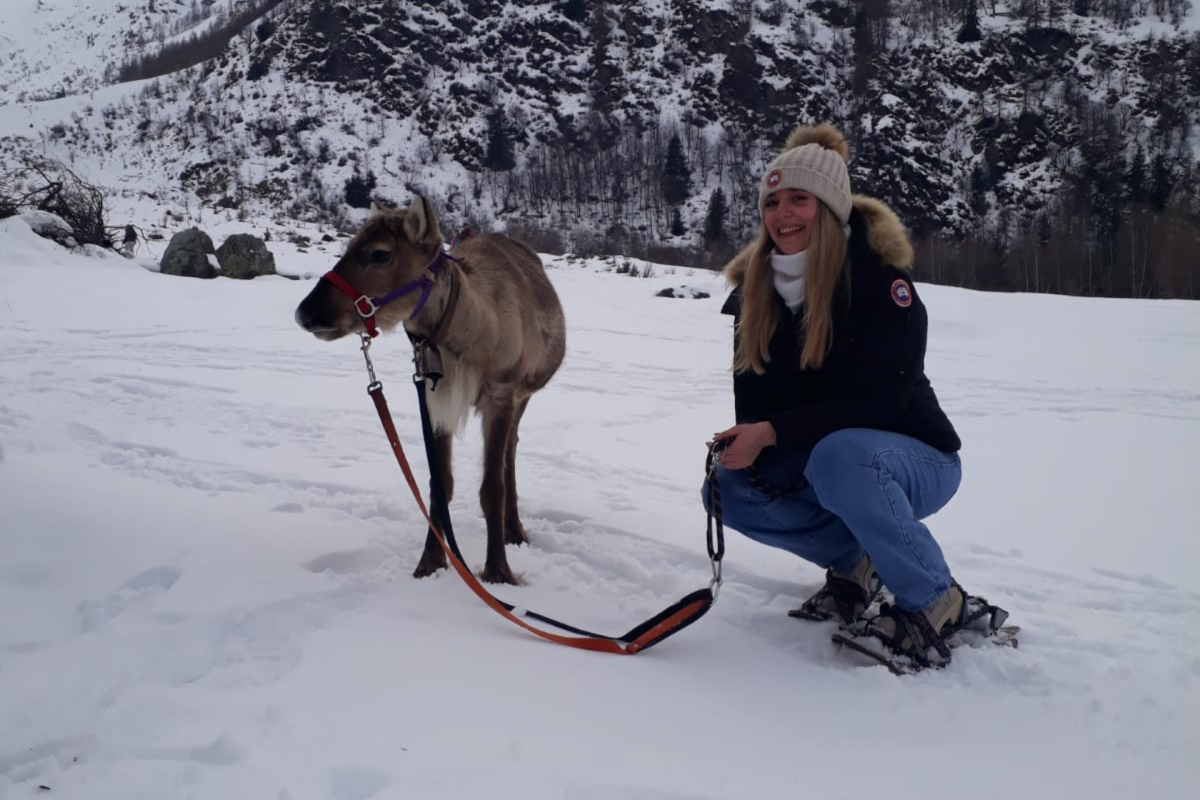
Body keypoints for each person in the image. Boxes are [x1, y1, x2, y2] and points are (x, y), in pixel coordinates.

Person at [703, 122, 988, 667]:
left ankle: (933, 597)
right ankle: (857, 562)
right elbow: (757, 410)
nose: (782, 215)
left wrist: (775, 432)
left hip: (915, 459)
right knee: (727, 487)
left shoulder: (883, 288)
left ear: (831, 208)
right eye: (772, 202)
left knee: (841, 455)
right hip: (827, 465)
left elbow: (882, 404)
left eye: (799, 200)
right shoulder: (754, 298)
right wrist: (751, 440)